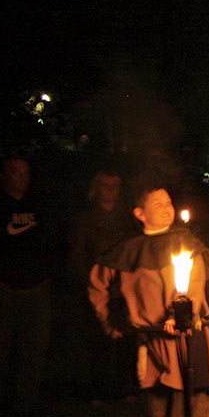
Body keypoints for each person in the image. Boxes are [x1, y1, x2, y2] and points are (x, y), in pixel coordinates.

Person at [88, 182, 209, 417]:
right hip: (150, 339)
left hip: (187, 335)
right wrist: (110, 322)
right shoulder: (126, 251)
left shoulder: (187, 244)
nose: (166, 207)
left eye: (169, 202)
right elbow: (97, 285)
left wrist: (182, 315)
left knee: (193, 399)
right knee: (155, 401)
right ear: (139, 213)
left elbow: (195, 287)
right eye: (157, 203)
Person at [0, 155, 60, 417]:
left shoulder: (39, 206)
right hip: (4, 288)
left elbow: (52, 243)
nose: (21, 177)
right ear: (5, 175)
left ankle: (26, 405)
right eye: (15, 172)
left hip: (37, 288)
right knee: (0, 348)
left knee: (34, 348)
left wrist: (47, 274)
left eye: (25, 173)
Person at [64, 169, 139, 400]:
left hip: (122, 288)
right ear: (96, 189)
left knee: (126, 338)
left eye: (115, 186)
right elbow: (76, 254)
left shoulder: (128, 219)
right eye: (105, 186)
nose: (110, 191)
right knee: (98, 339)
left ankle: (125, 386)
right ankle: (99, 388)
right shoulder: (85, 219)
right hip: (95, 286)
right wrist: (90, 281)